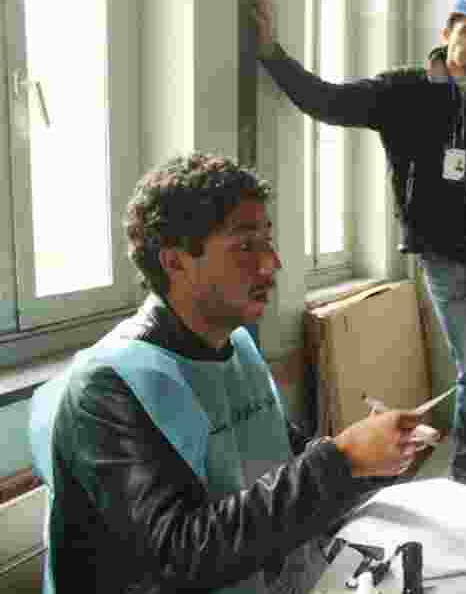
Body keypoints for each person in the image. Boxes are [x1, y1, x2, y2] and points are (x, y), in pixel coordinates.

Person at [27, 153, 425, 593]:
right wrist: (342, 461)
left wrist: (371, 460)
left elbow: (281, 456)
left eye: (268, 242)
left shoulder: (234, 346)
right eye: (245, 246)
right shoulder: (107, 389)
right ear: (175, 261)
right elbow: (178, 554)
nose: (271, 263)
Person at [253, 0, 466, 491]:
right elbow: (329, 100)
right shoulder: (403, 91)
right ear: (447, 31)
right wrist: (270, 54)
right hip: (440, 252)